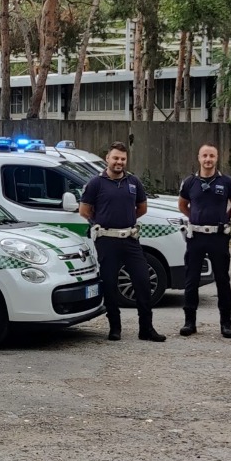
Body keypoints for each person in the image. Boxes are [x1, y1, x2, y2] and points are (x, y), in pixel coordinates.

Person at [79, 142, 167, 343]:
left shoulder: (133, 182)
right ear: (108, 159)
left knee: (143, 282)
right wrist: (102, 222)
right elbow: (84, 211)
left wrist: (125, 221)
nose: (119, 162)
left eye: (123, 159)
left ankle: (146, 329)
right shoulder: (96, 183)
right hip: (107, 241)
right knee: (110, 284)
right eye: (115, 158)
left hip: (130, 239)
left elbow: (141, 208)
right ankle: (115, 328)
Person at [177, 143, 231, 338]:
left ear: (217, 158)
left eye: (211, 156)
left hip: (218, 236)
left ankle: (226, 323)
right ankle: (190, 322)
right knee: (191, 280)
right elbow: (182, 204)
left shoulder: (227, 182)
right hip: (196, 236)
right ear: (199, 158)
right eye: (205, 156)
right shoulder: (190, 182)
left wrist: (225, 218)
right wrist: (195, 217)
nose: (208, 159)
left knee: (222, 280)